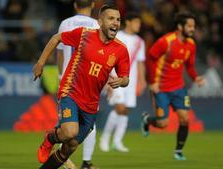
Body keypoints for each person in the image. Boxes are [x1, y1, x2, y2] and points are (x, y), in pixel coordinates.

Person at [33, 4, 130, 169]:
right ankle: (50, 138)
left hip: (91, 104)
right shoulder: (84, 34)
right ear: (100, 22)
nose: (115, 23)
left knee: (70, 146)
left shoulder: (121, 50)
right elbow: (56, 38)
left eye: (118, 19)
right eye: (111, 18)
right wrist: (40, 63)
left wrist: (121, 82)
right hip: (71, 92)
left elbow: (126, 78)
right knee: (70, 132)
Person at [141, 11, 205, 160]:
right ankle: (148, 120)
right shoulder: (166, 41)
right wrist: (153, 82)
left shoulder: (191, 44)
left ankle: (178, 151)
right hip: (161, 88)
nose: (192, 29)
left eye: (193, 26)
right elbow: (150, 58)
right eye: (189, 26)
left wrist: (195, 78)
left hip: (178, 88)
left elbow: (189, 66)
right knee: (163, 124)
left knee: (185, 119)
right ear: (179, 26)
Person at [56, 0, 99, 168]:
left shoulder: (65, 24)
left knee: (67, 121)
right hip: (88, 80)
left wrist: (61, 76)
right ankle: (86, 162)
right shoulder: (96, 24)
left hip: (68, 80)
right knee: (89, 122)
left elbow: (60, 53)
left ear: (75, 5)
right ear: (93, 5)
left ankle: (62, 154)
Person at [99, 13, 146, 153]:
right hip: (115, 77)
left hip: (131, 80)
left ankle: (117, 141)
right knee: (119, 108)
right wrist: (108, 77)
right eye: (136, 22)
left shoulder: (140, 41)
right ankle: (105, 138)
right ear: (129, 22)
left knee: (126, 111)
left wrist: (142, 80)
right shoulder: (117, 36)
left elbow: (140, 62)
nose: (139, 26)